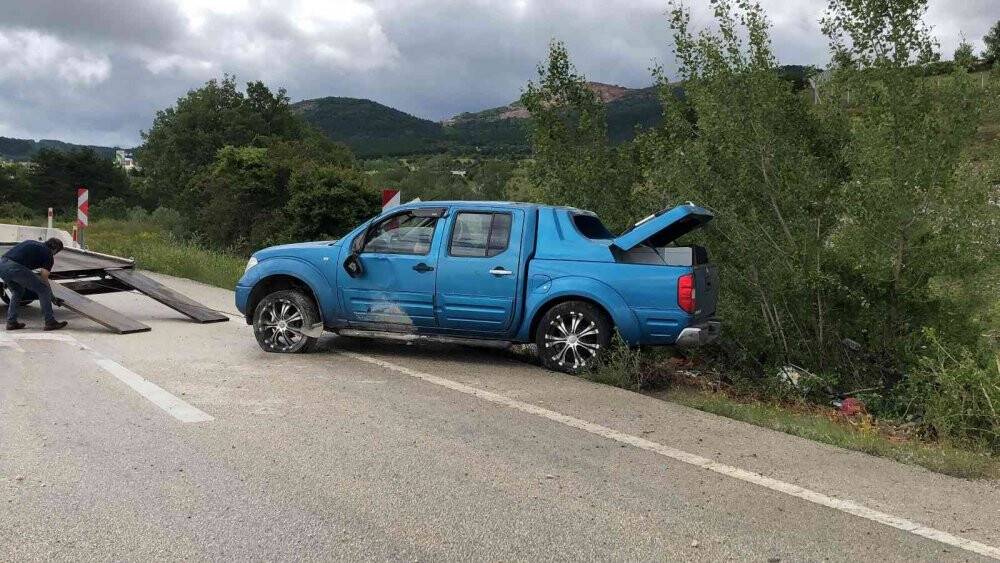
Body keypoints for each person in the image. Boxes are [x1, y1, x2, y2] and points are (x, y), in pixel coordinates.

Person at [0, 238, 68, 331]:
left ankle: (11, 322)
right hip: (14, 268)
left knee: (17, 291)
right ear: (55, 249)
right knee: (43, 290)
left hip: (2, 265)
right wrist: (53, 298)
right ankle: (50, 322)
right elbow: (44, 278)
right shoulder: (48, 254)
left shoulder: (31, 242)